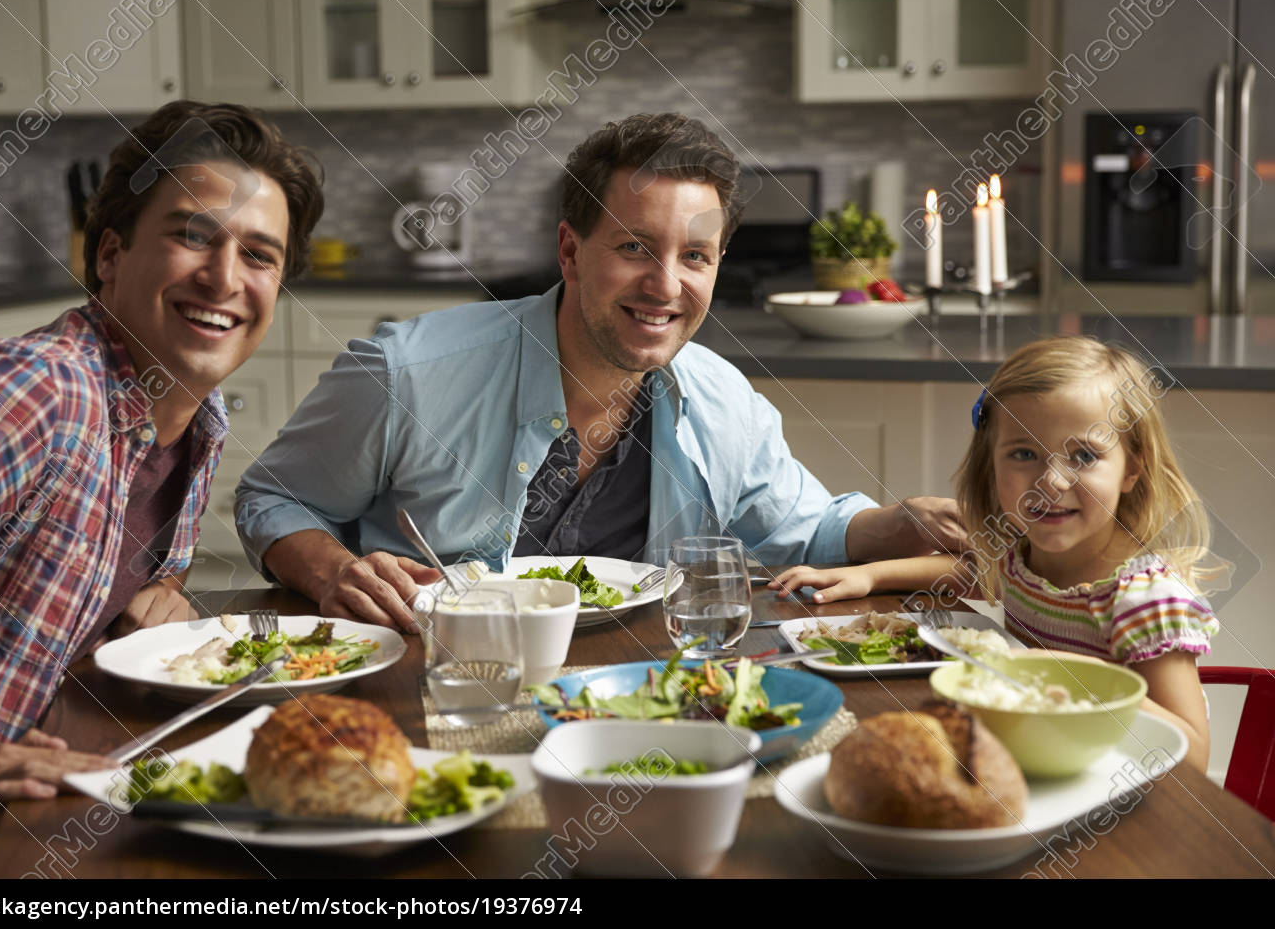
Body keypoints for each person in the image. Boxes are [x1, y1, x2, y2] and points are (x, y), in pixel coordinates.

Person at [235, 112, 962, 633]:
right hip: (430, 681)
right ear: (571, 251)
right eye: (636, 247)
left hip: (631, 696)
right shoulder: (407, 374)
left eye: (696, 257)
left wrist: (901, 522)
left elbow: (808, 532)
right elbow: (272, 497)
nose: (667, 285)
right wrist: (332, 569)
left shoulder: (721, 400)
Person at [0, 100, 324, 877]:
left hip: (40, 838)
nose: (224, 277)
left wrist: (158, 596)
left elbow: (98, 555)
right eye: (192, 234)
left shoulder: (195, 421)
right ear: (110, 253)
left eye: (259, 254)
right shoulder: (29, 392)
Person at [769, 336, 1219, 768]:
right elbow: (974, 571)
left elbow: (1194, 756)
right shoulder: (1024, 555)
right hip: (1042, 754)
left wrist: (1070, 673)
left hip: (1118, 783)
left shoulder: (1144, 601)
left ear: (1131, 469)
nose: (1052, 482)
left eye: (1083, 456)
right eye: (1024, 453)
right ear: (991, 463)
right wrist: (872, 576)